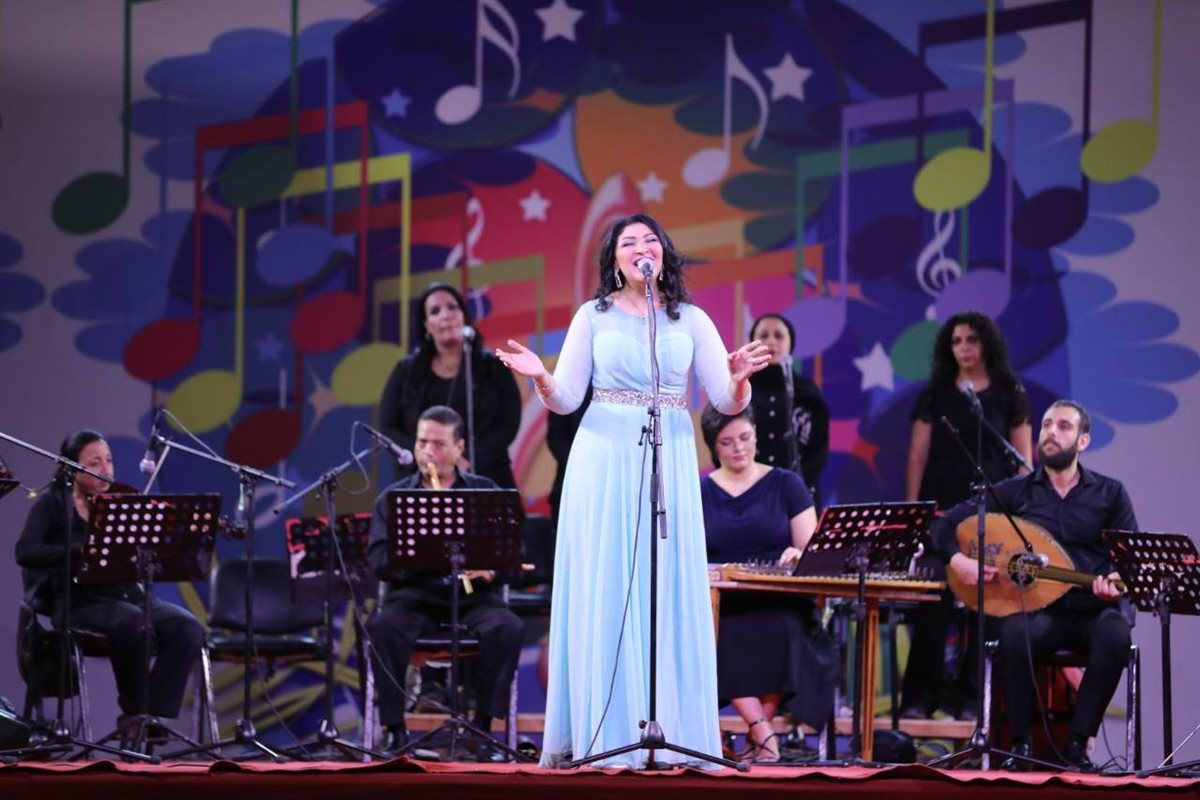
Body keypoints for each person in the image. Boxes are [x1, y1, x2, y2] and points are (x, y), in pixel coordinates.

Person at [496, 213, 771, 769]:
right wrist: (540, 376)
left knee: (664, 584)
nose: (642, 247)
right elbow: (566, 399)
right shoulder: (592, 317)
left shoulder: (689, 319)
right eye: (629, 242)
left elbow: (725, 399)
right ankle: (607, 733)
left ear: (663, 253)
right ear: (615, 260)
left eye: (650, 239)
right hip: (604, 456)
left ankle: (670, 728)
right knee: (610, 580)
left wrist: (740, 379)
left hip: (670, 452)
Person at [931, 400, 1134, 771]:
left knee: (1117, 636)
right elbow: (943, 525)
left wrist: (1117, 582)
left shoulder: (1110, 494)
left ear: (1083, 441)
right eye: (1047, 425)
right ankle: (1019, 746)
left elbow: (1128, 562)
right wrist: (958, 560)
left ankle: (1077, 745)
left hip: (1093, 611)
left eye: (1063, 426)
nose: (1052, 432)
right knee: (1014, 633)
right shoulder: (1016, 492)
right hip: (1040, 611)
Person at [14, 429, 205, 738]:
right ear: (72, 468)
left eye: (109, 460)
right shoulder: (52, 505)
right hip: (81, 602)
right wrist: (82, 550)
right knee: (134, 624)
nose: (106, 470)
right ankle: (135, 711)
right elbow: (26, 552)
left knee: (188, 628)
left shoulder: (121, 503)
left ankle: (148, 713)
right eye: (95, 463)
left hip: (130, 596)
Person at [365, 405, 524, 754]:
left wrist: (491, 570)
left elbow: (513, 560)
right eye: (422, 442)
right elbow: (376, 559)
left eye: (438, 444)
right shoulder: (392, 499)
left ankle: (483, 729)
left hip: (474, 597)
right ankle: (394, 730)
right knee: (382, 628)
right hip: (416, 596)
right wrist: (416, 560)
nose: (428, 452)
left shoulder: (485, 492)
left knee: (507, 628)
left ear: (459, 447)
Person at [901, 311, 1032, 719]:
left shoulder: (1009, 391)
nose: (964, 348)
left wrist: (1022, 513)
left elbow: (1023, 459)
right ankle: (920, 698)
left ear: (986, 343)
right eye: (956, 341)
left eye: (971, 339)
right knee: (933, 602)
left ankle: (973, 698)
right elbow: (917, 454)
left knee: (987, 601)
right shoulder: (936, 392)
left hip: (992, 513)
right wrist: (915, 513)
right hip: (942, 511)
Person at [699, 404, 835, 763]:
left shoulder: (787, 484)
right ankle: (763, 732)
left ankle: (761, 734)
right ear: (714, 446)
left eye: (745, 437)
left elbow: (810, 552)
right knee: (721, 629)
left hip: (778, 598)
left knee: (785, 626)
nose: (738, 447)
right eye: (727, 442)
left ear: (756, 435)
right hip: (722, 601)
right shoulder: (700, 491)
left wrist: (796, 555)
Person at [379, 282, 521, 487]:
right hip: (421, 479)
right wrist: (427, 455)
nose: (446, 315)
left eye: (452, 307)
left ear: (464, 316)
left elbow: (508, 423)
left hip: (485, 475)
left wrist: (465, 458)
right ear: (426, 325)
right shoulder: (406, 371)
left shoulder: (492, 367)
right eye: (435, 311)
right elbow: (388, 426)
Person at [747, 313, 830, 509]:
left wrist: (797, 487)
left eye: (778, 335)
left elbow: (819, 446)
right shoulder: (741, 391)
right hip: (750, 497)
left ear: (790, 343)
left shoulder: (807, 393)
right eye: (764, 335)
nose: (771, 341)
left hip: (800, 496)